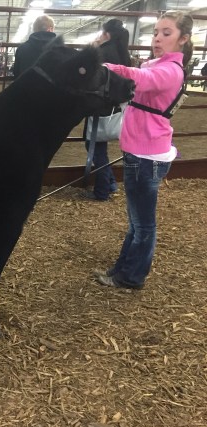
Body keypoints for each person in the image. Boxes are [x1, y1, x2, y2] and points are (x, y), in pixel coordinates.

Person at [94, 10, 193, 290]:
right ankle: (123, 269)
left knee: (143, 224)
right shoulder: (159, 65)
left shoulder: (170, 71)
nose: (157, 38)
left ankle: (131, 277)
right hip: (141, 151)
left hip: (146, 155)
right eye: (156, 32)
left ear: (183, 39)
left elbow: (141, 78)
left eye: (166, 33)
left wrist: (107, 66)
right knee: (137, 221)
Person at [83, 19, 132, 201]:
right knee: (98, 146)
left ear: (106, 34)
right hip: (116, 106)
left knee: (94, 146)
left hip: (100, 105)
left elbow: (89, 78)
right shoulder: (123, 53)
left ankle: (103, 190)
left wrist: (92, 48)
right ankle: (110, 183)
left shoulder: (101, 53)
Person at [12, 15, 56, 79]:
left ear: (34, 29)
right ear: (50, 29)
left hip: (26, 84)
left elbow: (16, 73)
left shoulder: (21, 48)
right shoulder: (62, 51)